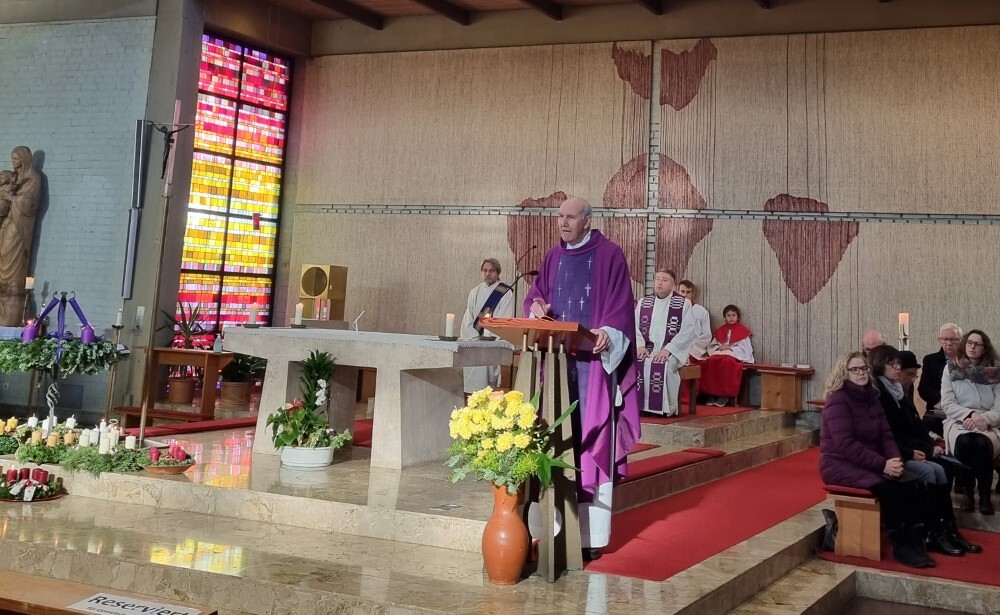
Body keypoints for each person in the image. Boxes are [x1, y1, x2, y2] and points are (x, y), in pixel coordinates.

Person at [524, 196, 640, 560]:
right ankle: (550, 530)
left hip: (592, 368)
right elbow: (536, 299)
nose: (563, 222)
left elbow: (621, 309)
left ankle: (588, 538)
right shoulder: (552, 257)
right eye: (560, 216)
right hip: (556, 365)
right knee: (552, 438)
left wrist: (609, 332)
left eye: (571, 217)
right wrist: (536, 309)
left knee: (588, 447)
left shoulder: (609, 256)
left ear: (587, 220)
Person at [820, 352, 936, 568]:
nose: (861, 373)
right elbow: (846, 445)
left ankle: (915, 541)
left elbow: (886, 435)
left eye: (863, 368)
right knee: (891, 488)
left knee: (912, 481)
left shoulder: (872, 397)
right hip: (840, 465)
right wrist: (883, 465)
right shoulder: (838, 401)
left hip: (869, 461)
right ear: (844, 373)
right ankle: (901, 546)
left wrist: (895, 460)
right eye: (855, 370)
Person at [868, 345, 979, 555]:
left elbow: (914, 425)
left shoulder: (897, 389)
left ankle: (948, 529)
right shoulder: (879, 394)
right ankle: (931, 531)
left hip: (907, 448)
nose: (897, 368)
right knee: (931, 471)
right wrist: (914, 452)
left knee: (943, 468)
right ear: (879, 365)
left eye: (898, 363)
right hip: (892, 454)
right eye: (892, 364)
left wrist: (930, 445)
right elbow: (886, 434)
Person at [941, 329, 1000, 515]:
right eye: (969, 343)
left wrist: (983, 418)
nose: (973, 347)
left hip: (988, 422)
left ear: (985, 348)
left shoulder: (995, 370)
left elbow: (999, 408)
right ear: (964, 344)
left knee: (981, 443)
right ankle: (967, 493)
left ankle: (984, 496)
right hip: (960, 421)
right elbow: (947, 404)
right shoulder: (951, 368)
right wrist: (970, 415)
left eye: (978, 344)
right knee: (965, 442)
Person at [635, 270, 694, 416]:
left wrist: (668, 350)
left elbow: (687, 331)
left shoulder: (683, 304)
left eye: (665, 280)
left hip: (672, 350)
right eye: (657, 279)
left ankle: (663, 409)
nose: (659, 282)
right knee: (636, 362)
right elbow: (634, 327)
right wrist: (640, 346)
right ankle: (640, 406)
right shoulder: (644, 303)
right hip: (647, 348)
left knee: (664, 365)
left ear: (673, 285)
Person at [459, 258, 514, 393]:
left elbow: (503, 319)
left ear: (498, 272)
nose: (487, 274)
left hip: (491, 344)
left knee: (488, 386)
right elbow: (468, 319)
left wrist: (487, 338)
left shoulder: (505, 292)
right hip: (474, 343)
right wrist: (474, 337)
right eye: (485, 271)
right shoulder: (475, 292)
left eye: (491, 271)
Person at [0, 146, 41, 326]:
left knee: (11, 257)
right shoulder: (15, 178)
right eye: (12, 158)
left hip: (19, 228)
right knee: (2, 254)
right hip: (8, 220)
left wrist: (11, 198)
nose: (13, 162)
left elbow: (29, 205)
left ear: (24, 159)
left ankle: (12, 293)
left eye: (16, 158)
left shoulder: (34, 179)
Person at [699, 305, 754, 406]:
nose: (731, 317)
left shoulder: (742, 330)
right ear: (725, 317)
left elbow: (746, 349)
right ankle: (711, 394)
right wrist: (719, 347)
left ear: (738, 317)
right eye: (729, 315)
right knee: (710, 361)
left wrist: (731, 348)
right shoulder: (721, 330)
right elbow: (712, 346)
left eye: (733, 315)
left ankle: (724, 395)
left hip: (733, 354)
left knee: (727, 362)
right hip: (720, 352)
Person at [919, 323, 963, 431]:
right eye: (945, 339)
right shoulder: (930, 360)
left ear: (961, 340)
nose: (949, 343)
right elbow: (924, 389)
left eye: (953, 339)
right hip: (938, 408)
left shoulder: (969, 361)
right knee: (928, 423)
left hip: (963, 407)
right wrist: (942, 399)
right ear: (939, 340)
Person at [676, 279, 711, 407]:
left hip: (693, 347)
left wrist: (691, 347)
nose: (684, 295)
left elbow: (706, 336)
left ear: (693, 293)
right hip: (675, 345)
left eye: (688, 292)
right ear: (677, 291)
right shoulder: (672, 309)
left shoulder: (701, 312)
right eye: (682, 291)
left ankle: (686, 397)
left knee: (686, 359)